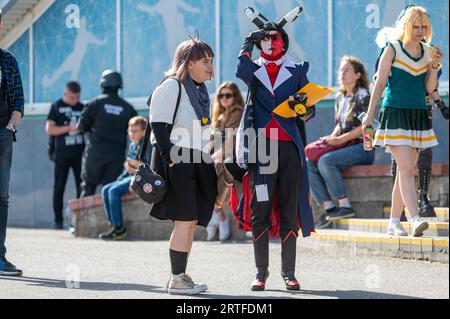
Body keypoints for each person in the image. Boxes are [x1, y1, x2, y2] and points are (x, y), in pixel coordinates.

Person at [235, 6, 315, 292]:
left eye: (275, 38)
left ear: (284, 41)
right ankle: (261, 273)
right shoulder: (252, 69)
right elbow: (240, 69)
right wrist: (248, 40)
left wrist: (302, 107)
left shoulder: (296, 70)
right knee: (261, 208)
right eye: (264, 39)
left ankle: (289, 272)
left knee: (289, 209)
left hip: (289, 151)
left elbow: (309, 112)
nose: (270, 42)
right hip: (261, 152)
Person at [363, 5, 443, 237]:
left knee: (404, 171)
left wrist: (435, 65)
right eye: (416, 26)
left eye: (424, 27)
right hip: (394, 112)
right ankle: (415, 217)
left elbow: (429, 88)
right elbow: (379, 84)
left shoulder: (428, 51)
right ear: (406, 26)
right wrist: (369, 115)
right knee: (408, 168)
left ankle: (393, 221)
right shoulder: (392, 48)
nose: (420, 31)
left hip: (418, 114)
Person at [149, 38, 217, 295]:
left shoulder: (199, 91)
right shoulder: (171, 86)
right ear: (188, 64)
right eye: (204, 61)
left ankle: (181, 276)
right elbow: (158, 124)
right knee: (185, 219)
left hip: (197, 159)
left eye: (211, 61)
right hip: (177, 159)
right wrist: (171, 159)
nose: (210, 67)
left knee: (191, 221)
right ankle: (176, 279)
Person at [308, 56, 375, 229]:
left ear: (358, 75)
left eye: (346, 70)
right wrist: (331, 138)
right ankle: (329, 209)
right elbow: (339, 125)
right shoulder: (340, 97)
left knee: (326, 161)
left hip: (362, 147)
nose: (342, 73)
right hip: (343, 146)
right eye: (341, 70)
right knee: (308, 163)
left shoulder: (365, 95)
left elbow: (364, 127)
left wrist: (339, 140)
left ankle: (345, 206)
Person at [77, 70, 137, 197]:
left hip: (95, 154)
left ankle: (86, 217)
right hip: (116, 155)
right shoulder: (127, 108)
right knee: (110, 190)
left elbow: (81, 127)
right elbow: (137, 131)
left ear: (102, 85)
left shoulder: (95, 103)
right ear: (119, 86)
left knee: (88, 188)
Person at [0, 11, 25, 276]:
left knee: (1, 196)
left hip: (3, 134)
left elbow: (18, 98)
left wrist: (10, 125)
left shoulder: (7, 59)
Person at [207, 82, 245, 241]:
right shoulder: (219, 115)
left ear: (235, 97)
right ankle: (217, 216)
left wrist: (213, 157)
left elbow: (231, 142)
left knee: (213, 169)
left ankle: (217, 217)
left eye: (228, 95)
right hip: (220, 154)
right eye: (221, 96)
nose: (224, 99)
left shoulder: (237, 112)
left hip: (236, 155)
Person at [99, 116, 147, 240]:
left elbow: (148, 166)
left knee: (113, 191)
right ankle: (114, 225)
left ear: (144, 131)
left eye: (135, 131)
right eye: (130, 131)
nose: (132, 134)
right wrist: (124, 172)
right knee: (105, 189)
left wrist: (135, 165)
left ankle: (119, 228)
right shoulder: (133, 145)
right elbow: (128, 168)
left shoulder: (147, 145)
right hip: (129, 176)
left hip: (139, 178)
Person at [46, 82, 85, 229]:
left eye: (77, 97)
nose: (75, 100)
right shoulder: (56, 106)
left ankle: (79, 220)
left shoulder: (82, 107)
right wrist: (68, 128)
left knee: (81, 187)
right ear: (66, 93)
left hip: (79, 155)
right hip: (61, 155)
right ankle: (58, 220)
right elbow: (49, 129)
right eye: (72, 97)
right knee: (59, 188)